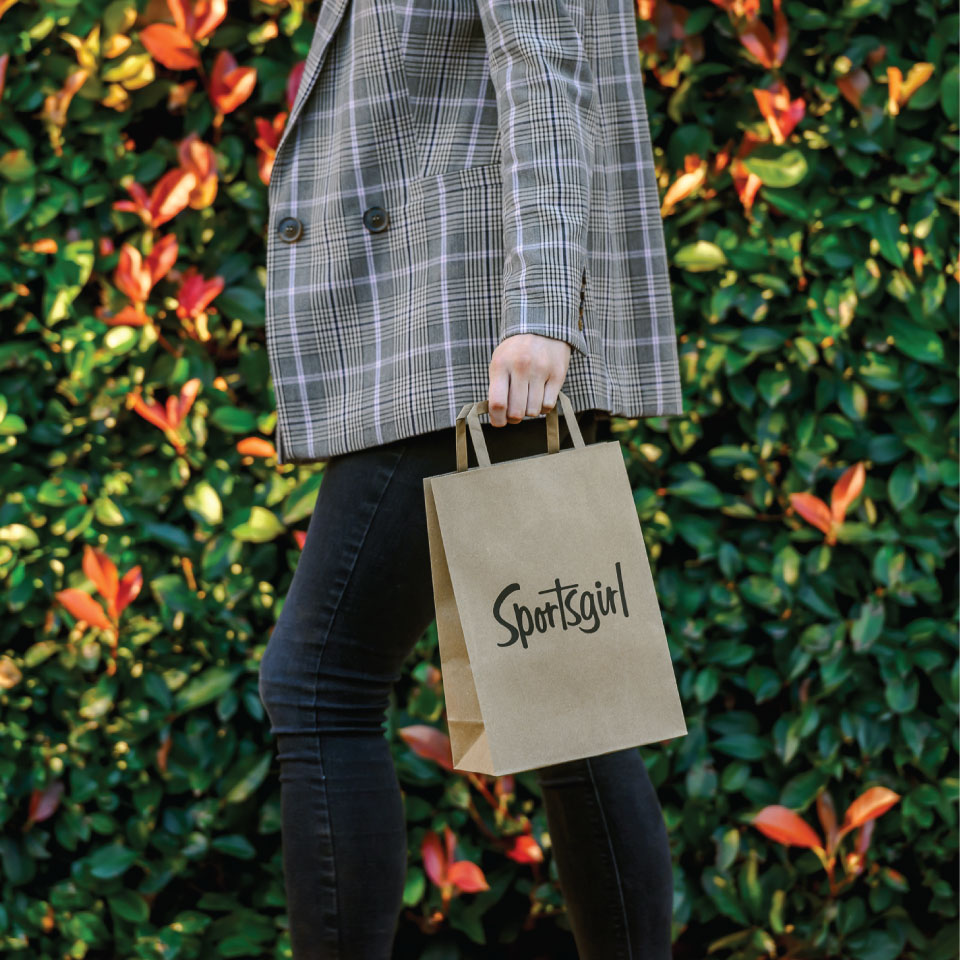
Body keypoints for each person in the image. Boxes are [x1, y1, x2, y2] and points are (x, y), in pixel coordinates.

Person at [258, 0, 685, 953]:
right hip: (478, 337)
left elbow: (547, 71)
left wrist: (540, 309)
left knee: (319, 683)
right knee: (567, 705)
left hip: (475, 341)